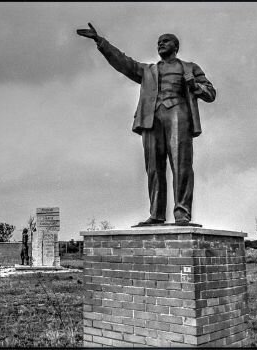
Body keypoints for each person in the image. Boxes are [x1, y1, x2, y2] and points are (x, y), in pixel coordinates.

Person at [77, 24, 216, 225]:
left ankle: (182, 214)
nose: (160, 44)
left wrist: (194, 86)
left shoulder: (190, 67)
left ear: (175, 46)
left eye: (165, 41)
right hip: (151, 118)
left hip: (179, 112)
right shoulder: (148, 70)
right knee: (154, 167)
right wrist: (101, 42)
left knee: (181, 165)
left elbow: (210, 93)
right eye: (158, 42)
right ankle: (157, 214)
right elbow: (124, 63)